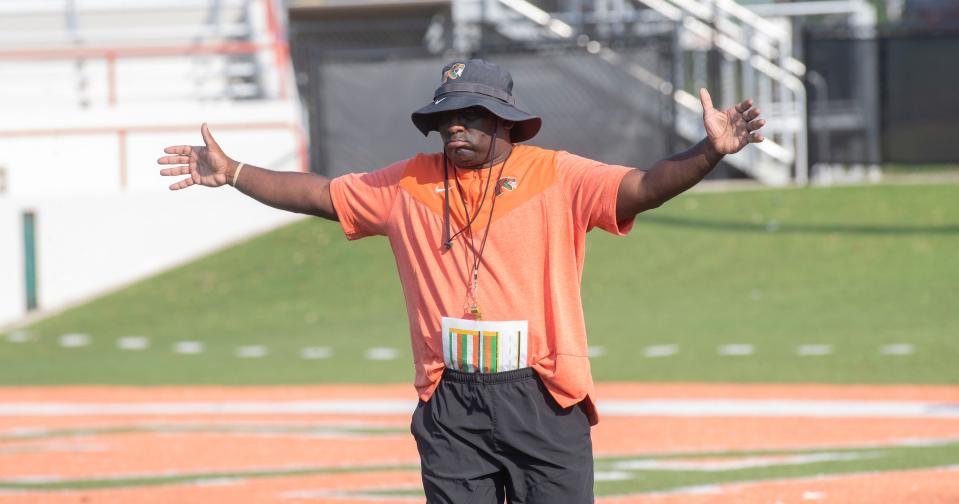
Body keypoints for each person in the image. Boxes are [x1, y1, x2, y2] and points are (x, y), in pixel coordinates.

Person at [157, 59, 764, 503]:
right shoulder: (407, 183)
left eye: (472, 116)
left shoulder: (558, 174)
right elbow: (318, 194)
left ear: (507, 122)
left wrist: (707, 153)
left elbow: (643, 188)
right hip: (451, 400)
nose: (455, 128)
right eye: (446, 117)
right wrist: (233, 171)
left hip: (543, 397)